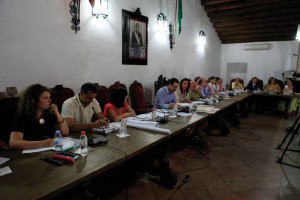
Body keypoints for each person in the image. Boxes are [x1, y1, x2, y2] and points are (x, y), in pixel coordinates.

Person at [9, 84, 69, 150]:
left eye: (49, 97)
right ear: (34, 101)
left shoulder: (49, 114)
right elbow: (13, 143)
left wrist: (57, 113)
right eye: (46, 98)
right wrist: (44, 143)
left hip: (48, 150)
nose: (50, 100)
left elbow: (65, 133)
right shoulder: (22, 116)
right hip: (28, 154)